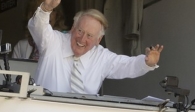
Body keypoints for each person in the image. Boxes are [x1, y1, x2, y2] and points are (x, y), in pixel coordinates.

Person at [27, 0, 164, 94]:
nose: (82, 39)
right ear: (73, 28)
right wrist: (45, 9)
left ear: (99, 40)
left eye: (89, 36)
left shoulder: (101, 56)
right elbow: (38, 28)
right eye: (80, 31)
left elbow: (127, 65)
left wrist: (146, 62)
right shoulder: (53, 42)